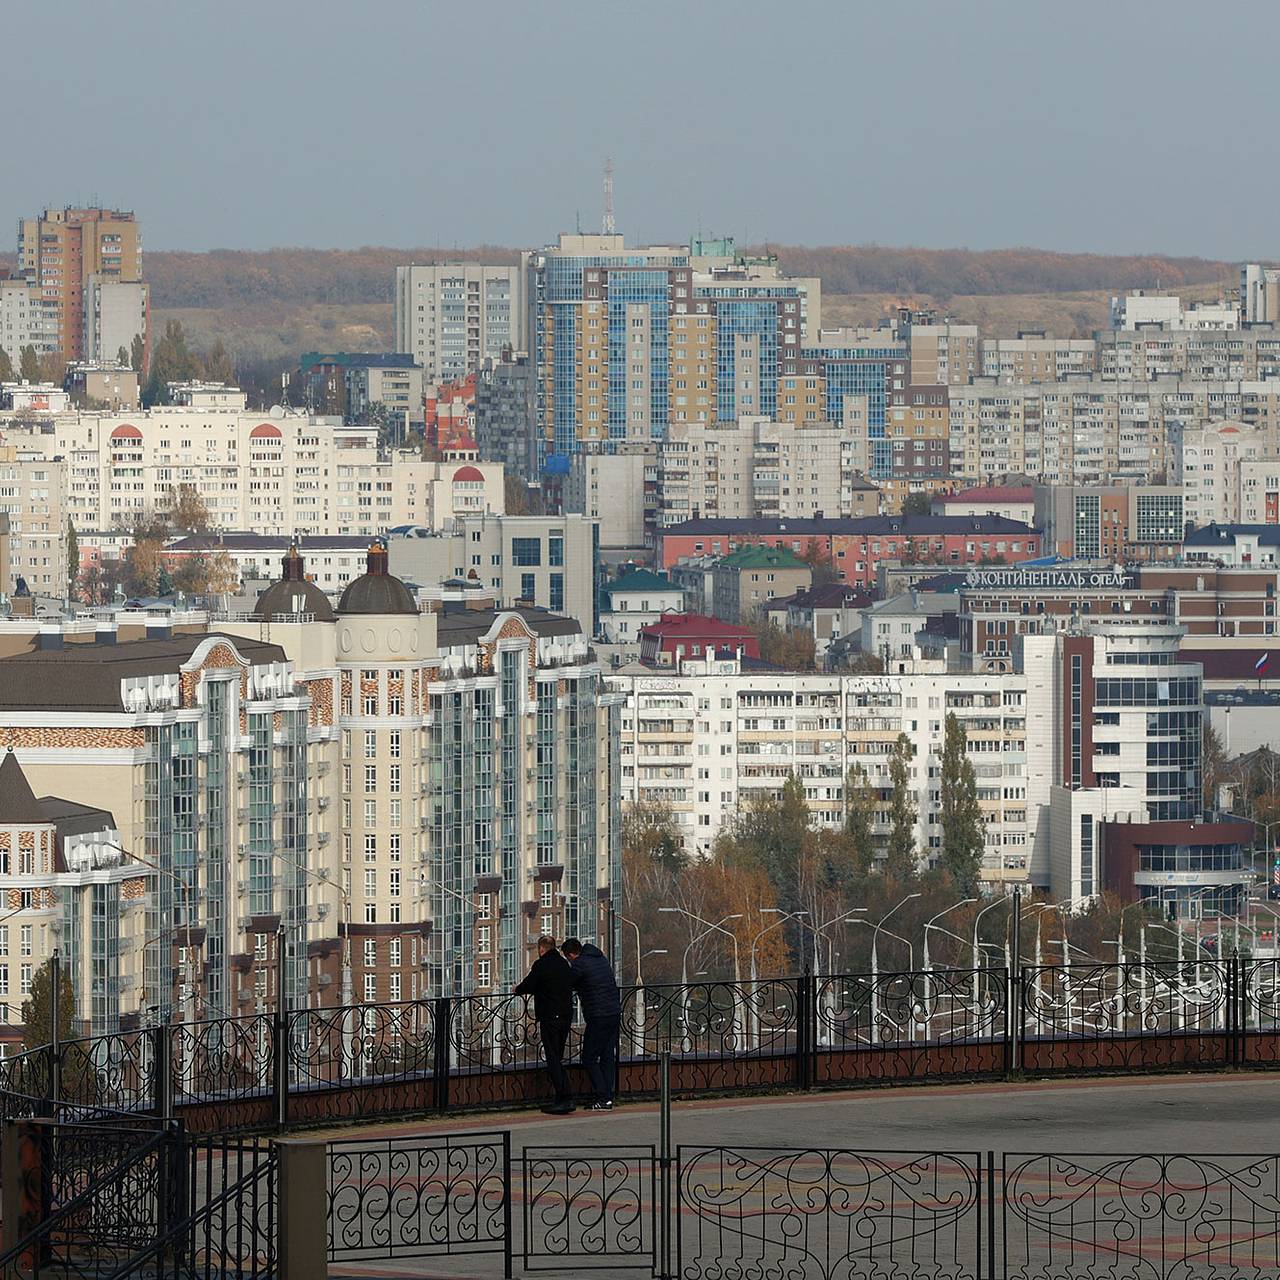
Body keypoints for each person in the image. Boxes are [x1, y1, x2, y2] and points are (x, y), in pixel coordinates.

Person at [515, 934, 575, 1114]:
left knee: (553, 1058)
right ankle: (562, 1097)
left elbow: (529, 984)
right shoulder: (564, 964)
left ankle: (565, 1098)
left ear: (541, 949)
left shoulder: (541, 965)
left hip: (550, 1017)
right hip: (566, 1015)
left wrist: (517, 989)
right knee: (558, 1055)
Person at [561, 936, 621, 1111]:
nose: (569, 962)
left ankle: (603, 1096)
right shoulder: (600, 958)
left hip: (598, 1015)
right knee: (607, 1055)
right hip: (613, 1012)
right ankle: (608, 1097)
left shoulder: (580, 964)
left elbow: (566, 982)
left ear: (571, 955)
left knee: (588, 1057)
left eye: (568, 959)